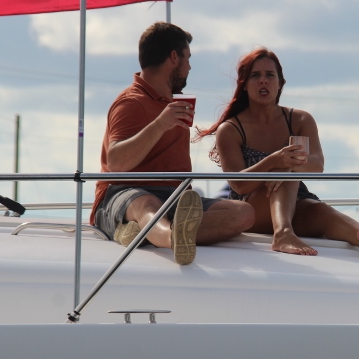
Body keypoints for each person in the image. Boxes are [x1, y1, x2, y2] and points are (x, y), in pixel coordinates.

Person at [195, 48, 359, 258]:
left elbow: (317, 165)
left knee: (320, 210)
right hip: (253, 208)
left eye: (270, 75)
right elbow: (239, 185)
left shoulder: (300, 120)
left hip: (296, 201)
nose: (263, 81)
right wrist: (274, 162)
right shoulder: (231, 129)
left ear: (280, 83)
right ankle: (283, 233)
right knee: (285, 167)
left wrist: (289, 162)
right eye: (255, 75)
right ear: (244, 84)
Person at [90, 22, 255, 265]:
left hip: (174, 197)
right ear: (174, 57)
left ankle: (144, 234)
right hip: (125, 195)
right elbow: (115, 163)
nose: (190, 67)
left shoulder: (173, 102)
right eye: (188, 58)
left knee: (244, 213)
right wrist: (160, 124)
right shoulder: (131, 102)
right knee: (148, 204)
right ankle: (171, 238)